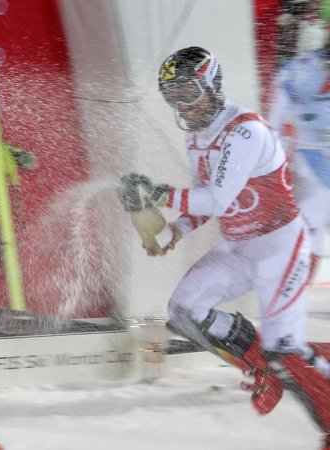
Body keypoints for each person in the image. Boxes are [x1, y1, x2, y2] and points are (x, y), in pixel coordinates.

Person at [119, 47, 330, 447]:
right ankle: (259, 367)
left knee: (285, 350)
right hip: (237, 246)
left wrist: (160, 193)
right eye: (173, 95)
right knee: (183, 312)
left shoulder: (244, 130)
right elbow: (206, 200)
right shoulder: (199, 137)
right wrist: (176, 229)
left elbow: (216, 199)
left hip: (277, 249)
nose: (182, 104)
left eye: (189, 92)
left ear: (212, 84)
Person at [268, 40, 330, 283]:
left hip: (314, 163)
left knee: (310, 228)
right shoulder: (299, 69)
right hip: (313, 164)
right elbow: (272, 123)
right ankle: (294, 298)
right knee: (308, 228)